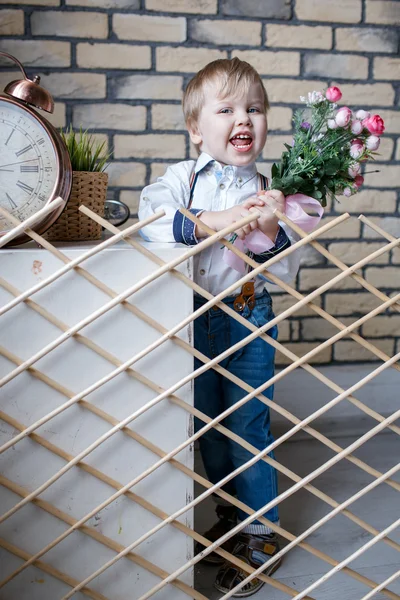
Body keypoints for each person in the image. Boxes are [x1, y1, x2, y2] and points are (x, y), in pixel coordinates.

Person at [138, 57, 300, 597]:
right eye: (227, 109)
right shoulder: (183, 180)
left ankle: (261, 535)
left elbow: (285, 270)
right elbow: (153, 218)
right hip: (193, 321)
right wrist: (215, 221)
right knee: (206, 424)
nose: (243, 119)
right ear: (195, 128)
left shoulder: (271, 192)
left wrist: (271, 224)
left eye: (254, 108)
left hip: (248, 316)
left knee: (248, 424)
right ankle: (230, 515)